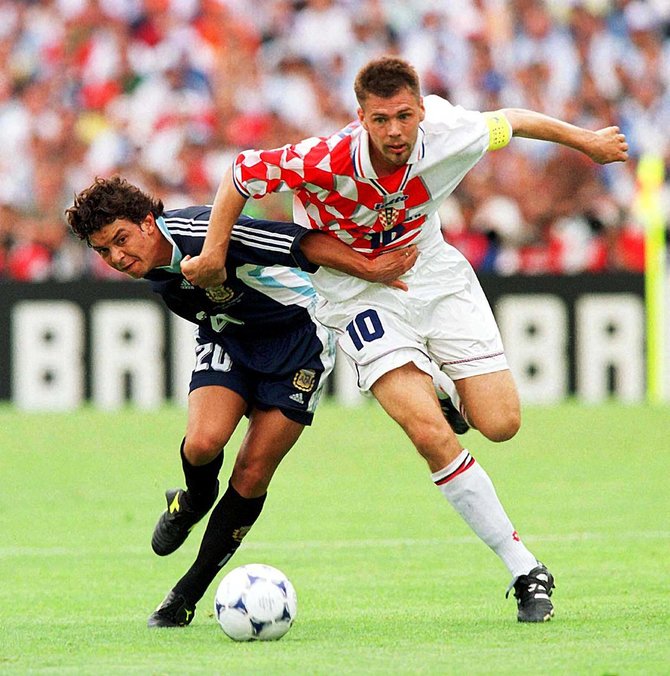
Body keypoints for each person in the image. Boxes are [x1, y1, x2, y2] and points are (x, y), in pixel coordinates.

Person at [180, 56, 629, 623]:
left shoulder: (448, 131)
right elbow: (241, 173)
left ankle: (443, 388)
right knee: (428, 435)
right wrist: (215, 252)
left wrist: (586, 141)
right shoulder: (324, 160)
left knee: (500, 424)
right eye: (380, 120)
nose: (395, 131)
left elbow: (513, 120)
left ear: (420, 109)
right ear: (361, 118)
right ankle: (525, 570)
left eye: (404, 116)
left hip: (435, 274)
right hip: (358, 294)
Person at [65, 175, 417, 627]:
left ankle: (184, 595)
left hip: (299, 343)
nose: (116, 257)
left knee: (251, 473)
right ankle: (191, 502)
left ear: (149, 223)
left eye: (120, 240)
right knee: (202, 443)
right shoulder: (149, 262)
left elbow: (298, 242)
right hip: (229, 335)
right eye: (103, 251)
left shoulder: (206, 233)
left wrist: (370, 268)